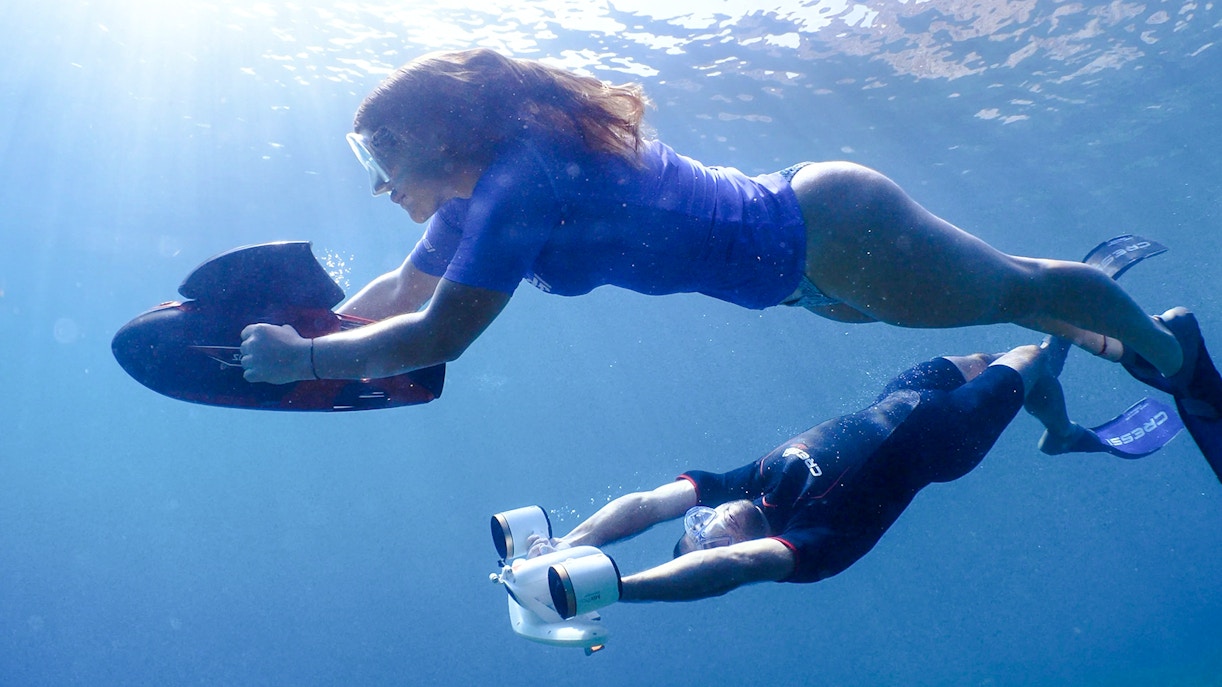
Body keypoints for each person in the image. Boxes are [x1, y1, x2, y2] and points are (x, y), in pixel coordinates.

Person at [238, 48, 1193, 393]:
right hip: (807, 274)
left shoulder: (520, 181)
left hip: (827, 232)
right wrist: (312, 338)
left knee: (1013, 285)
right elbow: (402, 293)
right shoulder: (472, 197)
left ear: (438, 137)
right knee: (978, 293)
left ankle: (1166, 349)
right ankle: (1111, 340)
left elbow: (442, 331)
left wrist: (309, 362)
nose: (374, 184)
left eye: (381, 158)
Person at [521, 338, 1164, 602]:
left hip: (899, 396)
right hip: (947, 436)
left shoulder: (746, 486)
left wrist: (571, 545)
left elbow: (649, 503)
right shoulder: (803, 547)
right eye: (709, 534)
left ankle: (1050, 382)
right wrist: (616, 588)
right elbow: (732, 569)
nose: (710, 520)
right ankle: (1062, 431)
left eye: (701, 522)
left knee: (980, 353)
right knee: (1030, 355)